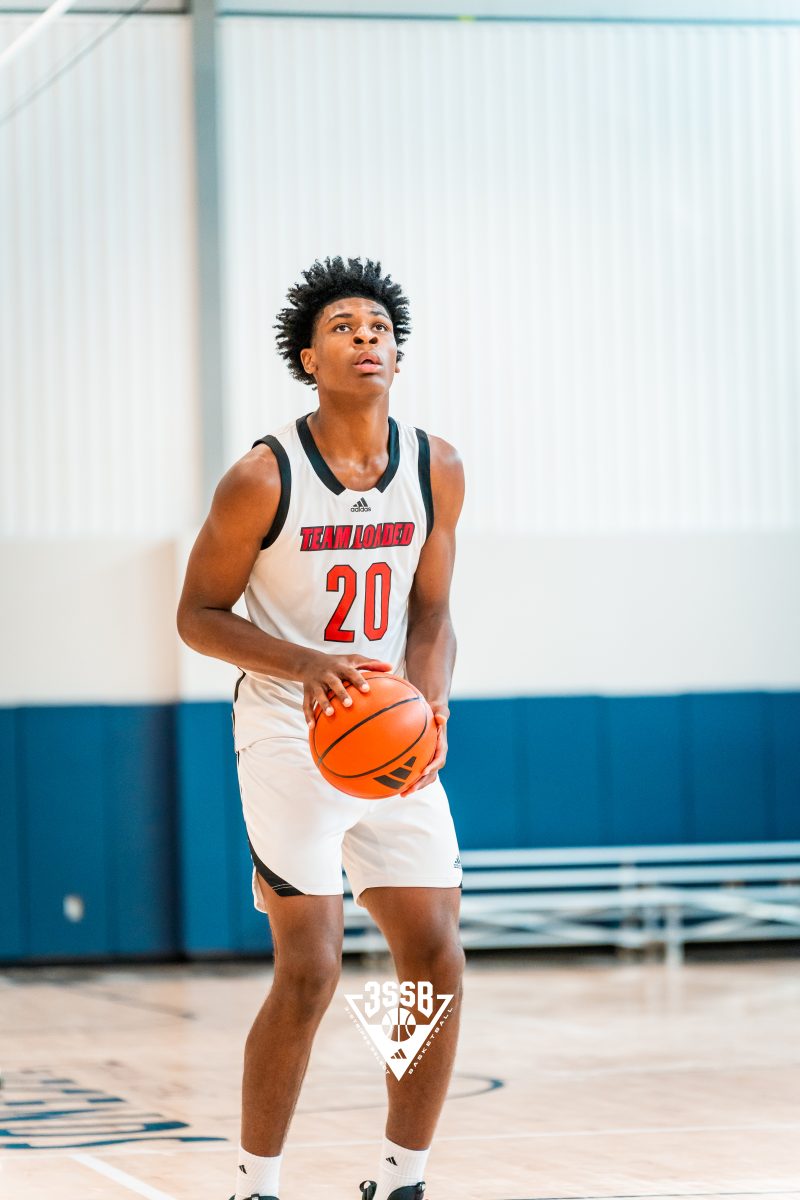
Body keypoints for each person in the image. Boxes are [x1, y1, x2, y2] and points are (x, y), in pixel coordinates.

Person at [177, 256, 465, 1200]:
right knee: (310, 969)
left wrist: (431, 704)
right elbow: (197, 616)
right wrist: (306, 666)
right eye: (343, 328)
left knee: (434, 954)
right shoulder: (262, 476)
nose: (366, 339)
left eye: (380, 329)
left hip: (388, 729)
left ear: (398, 355)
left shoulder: (437, 467)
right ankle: (256, 1185)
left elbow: (432, 613)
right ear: (309, 357)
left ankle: (401, 1179)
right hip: (287, 732)